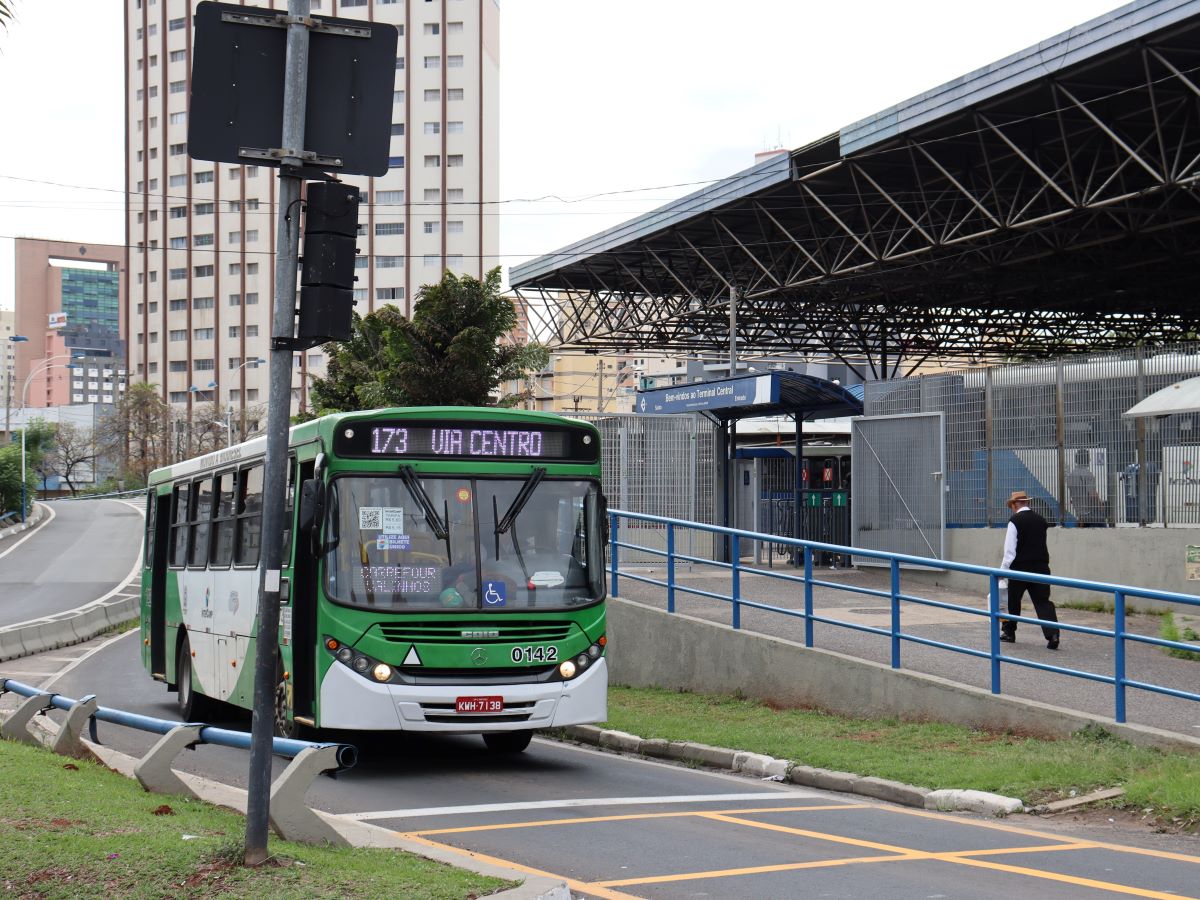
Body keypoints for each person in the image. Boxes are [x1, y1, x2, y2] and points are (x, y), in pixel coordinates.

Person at [999, 490, 1060, 649]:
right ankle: (1052, 635)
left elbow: (1010, 551)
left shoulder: (1014, 521)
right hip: (1041, 567)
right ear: (1027, 503)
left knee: (1012, 601)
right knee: (1043, 602)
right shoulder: (1041, 520)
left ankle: (1009, 632)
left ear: (1014, 505)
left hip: (1019, 568)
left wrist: (1002, 572)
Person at [1066, 449, 1105, 526]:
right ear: (1086, 460)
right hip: (1090, 514)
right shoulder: (1088, 475)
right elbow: (1093, 495)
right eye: (1089, 458)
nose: (1090, 460)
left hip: (1079, 514)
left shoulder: (1071, 475)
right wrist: (1101, 506)